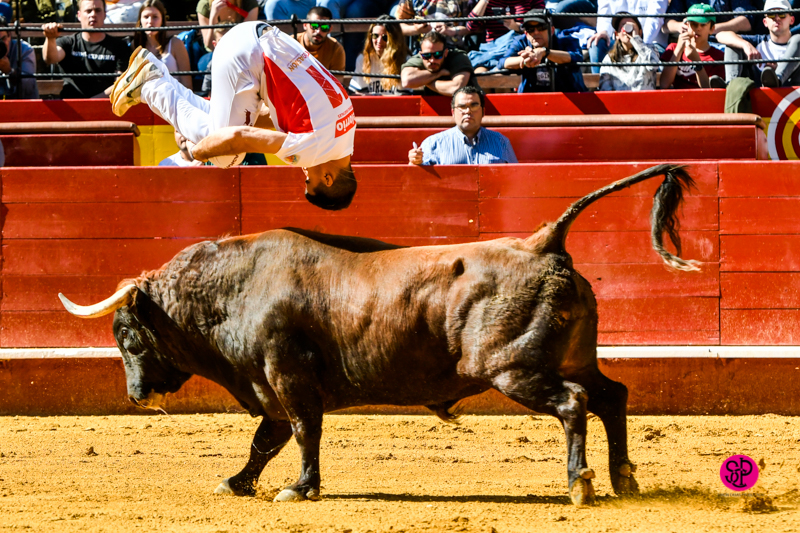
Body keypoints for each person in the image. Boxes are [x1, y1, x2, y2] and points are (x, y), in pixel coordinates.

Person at [110, 21, 357, 210]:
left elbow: (260, 119)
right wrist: (198, 153)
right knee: (227, 157)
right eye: (308, 181)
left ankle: (156, 75)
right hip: (247, 58)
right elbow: (240, 136)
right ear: (327, 178)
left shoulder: (347, 127)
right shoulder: (314, 151)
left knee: (220, 129)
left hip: (254, 37)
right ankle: (152, 86)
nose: (304, 174)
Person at [42, 0, 131, 98]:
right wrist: (50, 38)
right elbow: (50, 59)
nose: (93, 14)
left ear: (105, 15)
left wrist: (92, 102)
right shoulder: (68, 42)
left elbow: (120, 84)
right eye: (88, 11)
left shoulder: (119, 46)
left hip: (105, 106)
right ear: (79, 15)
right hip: (71, 106)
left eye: (97, 10)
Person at [408, 86, 517, 165]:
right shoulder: (433, 144)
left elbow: (515, 176)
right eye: (462, 107)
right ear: (453, 112)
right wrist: (414, 162)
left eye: (474, 106)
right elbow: (416, 181)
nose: (468, 111)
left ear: (483, 112)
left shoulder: (501, 142)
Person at [715, 0, 800, 87]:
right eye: (771, 14)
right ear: (765, 22)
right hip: (756, 97)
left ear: (792, 20)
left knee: (798, 39)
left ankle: (777, 79)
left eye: (782, 14)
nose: (777, 18)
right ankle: (731, 85)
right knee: (733, 43)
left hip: (791, 96)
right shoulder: (759, 41)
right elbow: (720, 35)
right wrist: (745, 45)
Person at [500, 9, 586, 92]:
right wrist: (526, 59)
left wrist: (545, 52)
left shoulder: (565, 39)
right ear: (526, 33)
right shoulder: (521, 42)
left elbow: (577, 57)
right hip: (532, 99)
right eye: (530, 29)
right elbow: (503, 63)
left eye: (541, 27)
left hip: (568, 97)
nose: (536, 32)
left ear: (552, 30)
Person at [587, 0, 668, 74]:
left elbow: (655, 18)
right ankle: (599, 87)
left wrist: (640, 44)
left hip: (651, 43)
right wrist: (604, 31)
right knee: (597, 44)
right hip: (619, 43)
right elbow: (604, 12)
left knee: (653, 59)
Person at [659, 4, 724, 89]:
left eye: (703, 25)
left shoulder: (718, 56)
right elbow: (664, 84)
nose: (698, 28)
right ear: (687, 25)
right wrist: (679, 49)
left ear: (712, 29)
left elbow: (709, 91)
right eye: (694, 24)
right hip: (677, 100)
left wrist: (697, 62)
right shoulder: (674, 48)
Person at [131, 0, 192, 89]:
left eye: (155, 17)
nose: (150, 21)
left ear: (162, 21)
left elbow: (187, 84)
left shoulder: (175, 43)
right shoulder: (135, 45)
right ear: (140, 21)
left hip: (174, 98)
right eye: (146, 17)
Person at [400, 30, 478, 96]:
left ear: (446, 53)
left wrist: (424, 81)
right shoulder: (420, 57)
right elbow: (407, 81)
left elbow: (456, 89)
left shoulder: (459, 57)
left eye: (438, 55)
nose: (432, 60)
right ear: (421, 54)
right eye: (427, 55)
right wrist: (439, 73)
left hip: (468, 107)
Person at [597, 12, 660, 91]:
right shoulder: (609, 59)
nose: (627, 29)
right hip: (620, 102)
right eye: (623, 26)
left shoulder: (650, 51)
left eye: (631, 26)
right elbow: (605, 90)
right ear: (617, 34)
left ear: (640, 32)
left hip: (645, 101)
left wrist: (636, 40)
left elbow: (653, 65)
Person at [349, 15, 408, 94]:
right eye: (375, 36)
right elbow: (357, 93)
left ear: (395, 39)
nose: (379, 41)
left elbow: (405, 97)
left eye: (385, 37)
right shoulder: (363, 59)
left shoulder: (405, 60)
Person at [295, 6, 345, 83]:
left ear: (330, 29)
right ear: (305, 25)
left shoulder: (336, 48)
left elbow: (337, 84)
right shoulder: (291, 42)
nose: (318, 31)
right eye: (314, 26)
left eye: (324, 27)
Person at [665, 0, 756, 36]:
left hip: (724, 44)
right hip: (691, 43)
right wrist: (680, 26)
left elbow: (746, 22)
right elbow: (665, 25)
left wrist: (710, 29)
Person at [0, 15, 39, 99]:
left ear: (9, 35)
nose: (0, 45)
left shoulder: (24, 49)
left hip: (22, 105)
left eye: (3, 39)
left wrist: (9, 71)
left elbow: (28, 88)